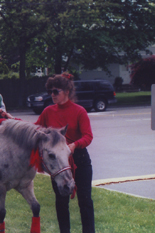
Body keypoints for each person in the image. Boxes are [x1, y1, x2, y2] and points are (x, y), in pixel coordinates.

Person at [35, 73, 95, 233]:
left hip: (79, 161)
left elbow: (88, 136)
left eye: (56, 91)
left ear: (67, 91)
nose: (52, 95)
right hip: (59, 164)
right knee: (61, 201)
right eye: (50, 92)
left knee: (85, 201)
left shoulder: (79, 111)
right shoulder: (48, 111)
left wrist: (73, 146)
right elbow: (36, 129)